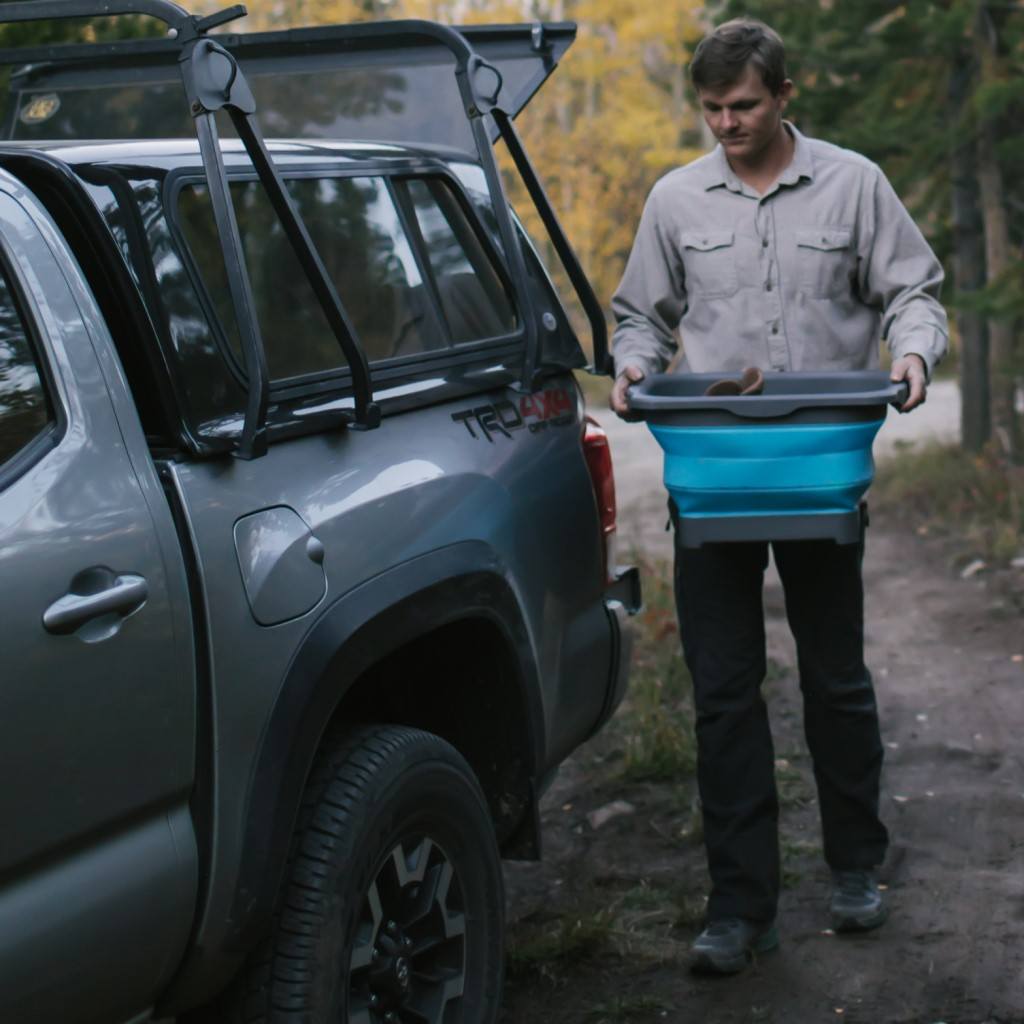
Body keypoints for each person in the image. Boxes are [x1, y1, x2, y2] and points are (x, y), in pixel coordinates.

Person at [609, 18, 948, 975]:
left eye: (745, 106)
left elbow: (912, 289)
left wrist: (913, 353)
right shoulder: (675, 199)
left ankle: (854, 869)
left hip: (820, 469)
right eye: (713, 109)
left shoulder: (853, 183)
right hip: (712, 476)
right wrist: (632, 369)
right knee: (722, 693)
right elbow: (642, 314)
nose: (727, 124)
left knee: (835, 680)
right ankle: (739, 904)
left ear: (784, 95)